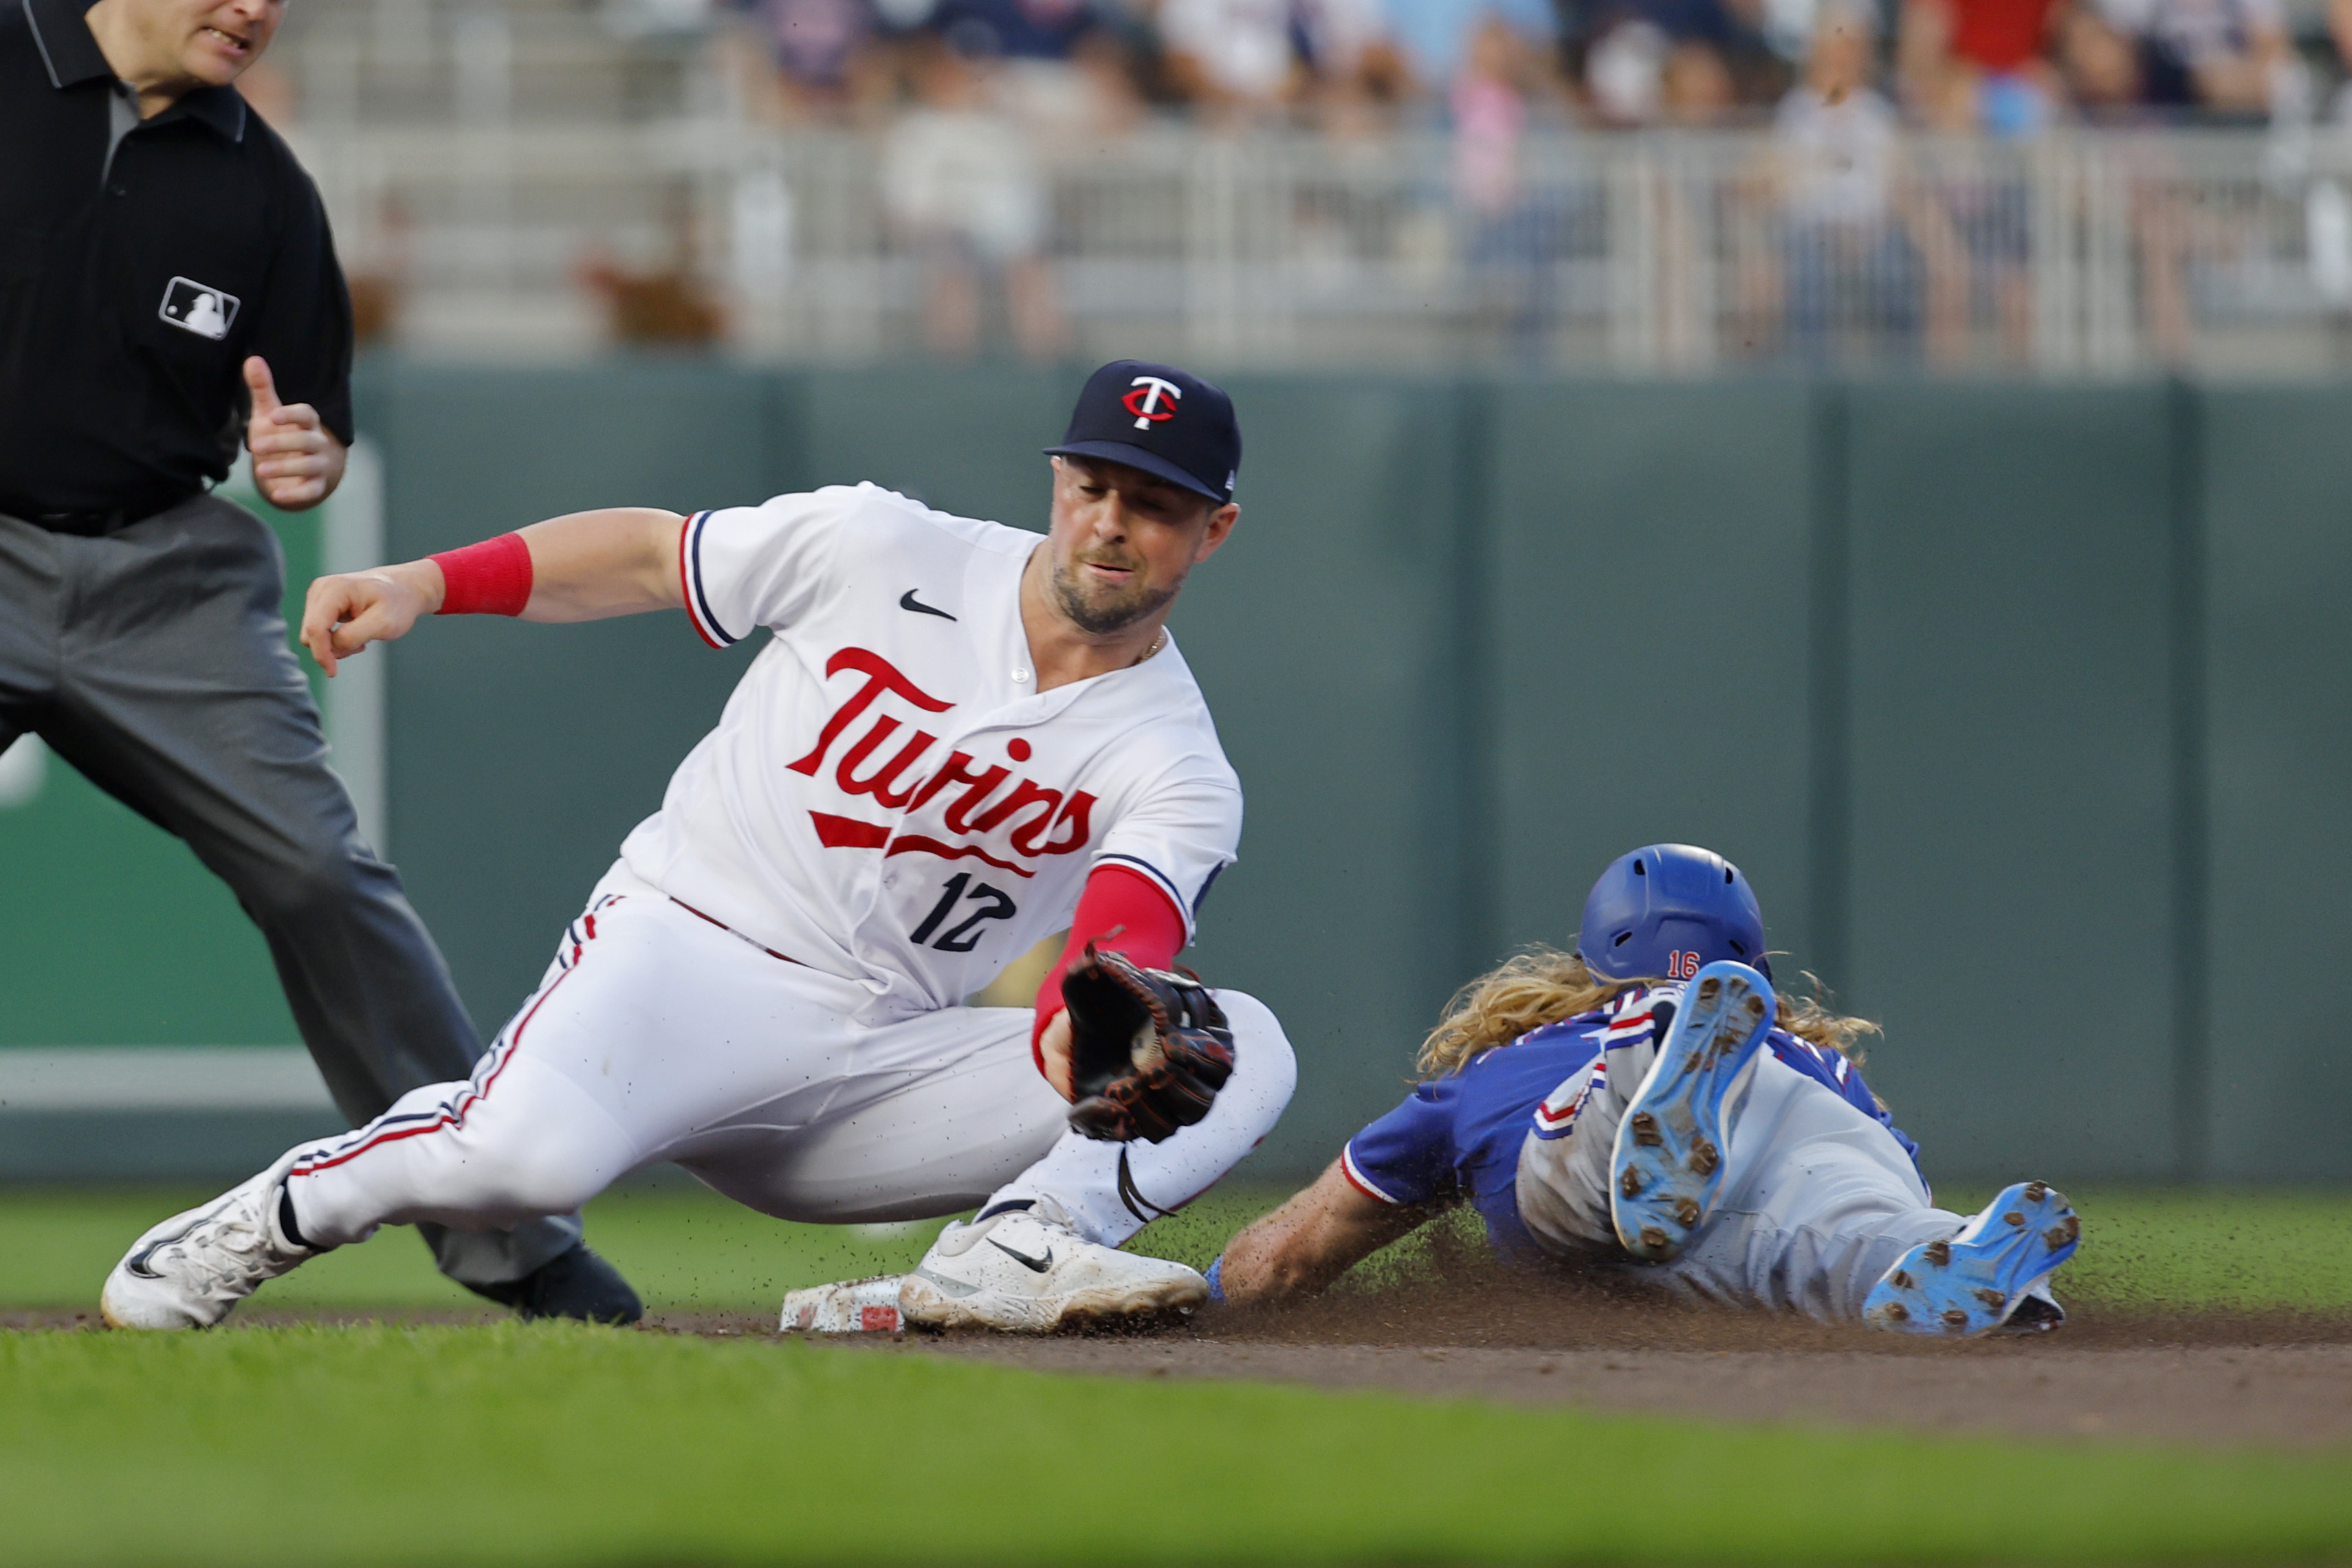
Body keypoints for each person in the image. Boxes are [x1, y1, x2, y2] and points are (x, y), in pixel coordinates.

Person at [101, 360, 1301, 1334]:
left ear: (1216, 530)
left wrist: (1089, 1011)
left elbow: (1127, 925)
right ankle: (279, 1210)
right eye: (1092, 483)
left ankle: (1015, 1247)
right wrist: (428, 581)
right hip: (689, 954)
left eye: (1151, 505)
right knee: (516, 1165)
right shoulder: (885, 548)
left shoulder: (1176, 758)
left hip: (883, 1063)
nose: (1108, 523)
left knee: (1248, 1048)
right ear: (1056, 477)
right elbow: (645, 556)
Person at [0, 0, 635, 1319]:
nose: (256, 10)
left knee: (321, 873)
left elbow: (312, 434)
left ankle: (507, 1234)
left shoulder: (263, 185)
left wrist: (307, 464)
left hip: (163, 579)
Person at [1213, 844, 2079, 1336]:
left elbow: (1291, 1253)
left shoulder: (1515, 1057)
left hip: (1588, 1110)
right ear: (1750, 959)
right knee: (1840, 1237)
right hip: (1831, 1129)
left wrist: (1204, 1293)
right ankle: (1963, 1263)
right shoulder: (1829, 1064)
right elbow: (1896, 1165)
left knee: (1579, 1186)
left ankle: (1641, 1081)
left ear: (1590, 957)